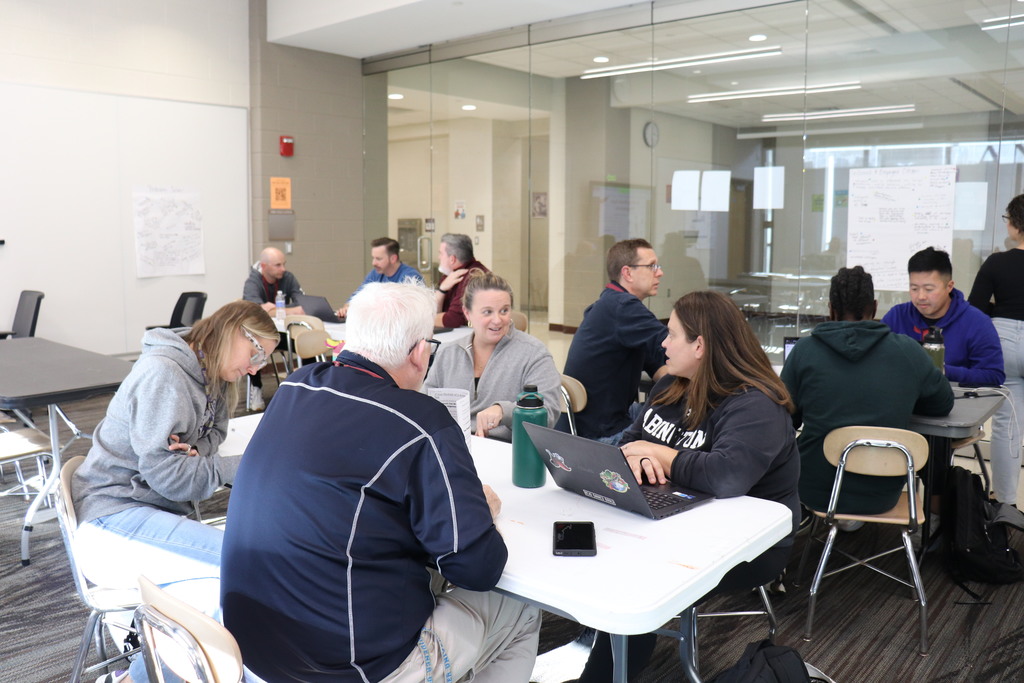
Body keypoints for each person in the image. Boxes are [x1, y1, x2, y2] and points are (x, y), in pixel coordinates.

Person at [221, 281, 540, 682]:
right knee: (520, 608)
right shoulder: (422, 421)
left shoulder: (293, 388)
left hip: (252, 650)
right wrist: (484, 514)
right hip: (354, 670)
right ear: (420, 352)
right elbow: (478, 568)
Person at [575, 290, 800, 683]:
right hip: (673, 515)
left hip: (747, 545)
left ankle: (609, 665)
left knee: (632, 575)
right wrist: (638, 454)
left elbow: (727, 476)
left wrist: (659, 455)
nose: (662, 342)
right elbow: (631, 440)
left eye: (672, 334)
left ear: (700, 345)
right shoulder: (671, 386)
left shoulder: (755, 405)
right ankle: (605, 643)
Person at [72, 300, 279, 683]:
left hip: (145, 513)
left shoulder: (208, 373)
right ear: (233, 331)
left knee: (225, 588)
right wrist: (247, 467)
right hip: (111, 518)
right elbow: (171, 479)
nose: (255, 368)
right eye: (256, 354)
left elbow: (216, 433)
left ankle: (135, 677)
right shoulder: (165, 375)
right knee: (242, 572)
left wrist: (196, 453)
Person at [782, 266, 953, 516]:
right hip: (882, 491)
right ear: (874, 308)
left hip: (816, 489)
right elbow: (942, 404)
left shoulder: (804, 351)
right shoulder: (908, 351)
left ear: (831, 309)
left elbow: (785, 418)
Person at [423, 271, 561, 440]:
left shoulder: (534, 354)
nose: (497, 320)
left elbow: (549, 415)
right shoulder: (448, 353)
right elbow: (425, 404)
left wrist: (506, 411)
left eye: (504, 311)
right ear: (467, 313)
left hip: (510, 451)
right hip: (454, 447)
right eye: (487, 312)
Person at [559, 238, 668, 444]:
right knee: (679, 431)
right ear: (627, 273)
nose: (659, 272)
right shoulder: (623, 307)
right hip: (602, 435)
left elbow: (661, 365)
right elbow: (674, 347)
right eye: (652, 266)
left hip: (591, 425)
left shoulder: (610, 304)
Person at [969, 196, 1024, 506]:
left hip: (1003, 343)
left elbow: (975, 309)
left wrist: (1002, 311)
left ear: (1015, 224)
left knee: (1007, 426)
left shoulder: (996, 262)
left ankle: (1004, 501)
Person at [881, 246, 1004, 386]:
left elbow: (993, 375)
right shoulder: (896, 317)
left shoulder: (977, 322)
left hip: (957, 402)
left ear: (949, 286)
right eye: (914, 288)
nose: (921, 296)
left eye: (929, 289)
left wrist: (943, 371)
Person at [241, 246, 306, 410]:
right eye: (278, 265)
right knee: (250, 346)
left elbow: (303, 304)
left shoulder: (288, 277)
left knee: (304, 341)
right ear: (264, 266)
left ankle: (306, 389)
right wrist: (288, 310)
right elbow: (254, 309)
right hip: (261, 335)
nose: (283, 269)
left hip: (283, 334)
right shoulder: (253, 282)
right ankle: (256, 388)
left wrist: (272, 309)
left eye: (283, 264)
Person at [335, 236, 423, 318]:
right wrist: (347, 308)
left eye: (378, 259)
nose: (374, 263)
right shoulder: (375, 274)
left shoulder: (410, 277)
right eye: (373, 258)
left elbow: (409, 312)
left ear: (393, 259)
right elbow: (356, 297)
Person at [435, 232, 489, 328]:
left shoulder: (474, 277)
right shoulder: (450, 276)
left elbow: (451, 320)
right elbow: (435, 310)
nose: (439, 257)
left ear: (452, 259)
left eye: (441, 253)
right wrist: (442, 290)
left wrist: (425, 319)